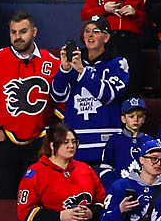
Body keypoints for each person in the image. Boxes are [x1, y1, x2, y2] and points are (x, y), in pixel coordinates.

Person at [0, 13, 61, 200]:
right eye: (13, 32)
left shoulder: (52, 63)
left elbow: (62, 103)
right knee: (8, 197)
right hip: (5, 141)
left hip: (40, 141)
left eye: (23, 31)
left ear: (34, 32)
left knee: (39, 196)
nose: (18, 37)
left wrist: (51, 133)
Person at [51, 16, 130, 168]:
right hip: (75, 146)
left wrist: (82, 71)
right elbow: (58, 96)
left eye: (96, 31)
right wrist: (64, 69)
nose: (90, 35)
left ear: (106, 37)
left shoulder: (118, 63)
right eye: (87, 31)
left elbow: (109, 95)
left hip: (106, 146)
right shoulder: (74, 62)